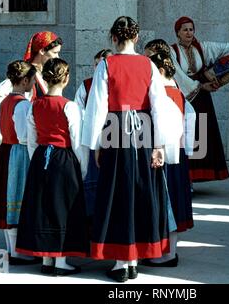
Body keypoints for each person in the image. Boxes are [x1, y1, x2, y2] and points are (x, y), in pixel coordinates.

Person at [81, 16, 183, 282]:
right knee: (140, 192)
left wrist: (95, 144)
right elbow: (159, 106)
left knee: (117, 193)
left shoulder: (106, 64)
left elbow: (98, 106)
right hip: (144, 130)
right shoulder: (148, 64)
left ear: (113, 38)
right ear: (136, 38)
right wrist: (159, 145)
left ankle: (120, 263)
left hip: (115, 129)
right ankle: (134, 259)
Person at [16, 58, 89, 276]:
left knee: (44, 207)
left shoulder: (34, 105)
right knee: (62, 208)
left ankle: (47, 259)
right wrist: (82, 168)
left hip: (41, 157)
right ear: (66, 79)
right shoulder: (69, 106)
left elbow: (31, 139)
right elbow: (77, 141)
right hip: (63, 159)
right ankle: (61, 261)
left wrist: (36, 161)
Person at [170, 16, 229, 183]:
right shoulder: (172, 51)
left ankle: (196, 177)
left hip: (202, 101)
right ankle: (184, 178)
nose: (189, 33)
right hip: (185, 98)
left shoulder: (201, 48)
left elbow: (226, 49)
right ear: (178, 33)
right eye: (185, 30)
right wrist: (199, 85)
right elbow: (178, 75)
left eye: (191, 29)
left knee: (201, 135)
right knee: (186, 136)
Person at [141, 51, 196, 267]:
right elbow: (189, 121)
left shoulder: (161, 95)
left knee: (167, 203)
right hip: (178, 154)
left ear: (160, 71)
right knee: (174, 202)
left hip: (165, 155)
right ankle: (170, 251)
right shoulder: (179, 93)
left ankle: (168, 253)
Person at [0, 60, 39, 265]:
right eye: (33, 80)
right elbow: (24, 135)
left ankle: (12, 248)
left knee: (9, 198)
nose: (34, 84)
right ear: (25, 80)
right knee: (17, 197)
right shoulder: (22, 104)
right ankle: (17, 252)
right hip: (19, 152)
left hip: (6, 150)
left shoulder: (6, 100)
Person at [0, 31, 63, 144]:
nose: (57, 57)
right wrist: (8, 136)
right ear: (42, 51)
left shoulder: (45, 74)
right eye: (55, 53)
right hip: (27, 142)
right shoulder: (26, 74)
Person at [74, 48, 113, 222]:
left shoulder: (118, 84)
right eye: (97, 65)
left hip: (114, 139)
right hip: (92, 139)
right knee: (93, 178)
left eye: (103, 65)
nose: (100, 69)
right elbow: (78, 111)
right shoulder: (86, 85)